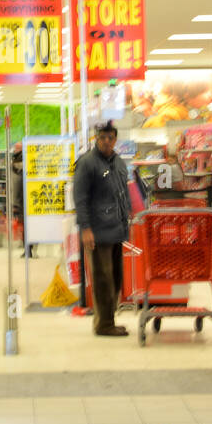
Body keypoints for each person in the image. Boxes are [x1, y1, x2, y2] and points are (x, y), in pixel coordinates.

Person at [72, 120, 132, 337]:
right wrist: (85, 228)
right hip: (97, 232)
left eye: (111, 138)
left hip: (117, 229)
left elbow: (123, 193)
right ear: (96, 139)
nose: (107, 141)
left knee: (116, 278)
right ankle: (104, 324)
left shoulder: (119, 162)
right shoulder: (87, 163)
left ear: (115, 139)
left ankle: (109, 319)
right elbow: (80, 198)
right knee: (102, 279)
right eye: (102, 138)